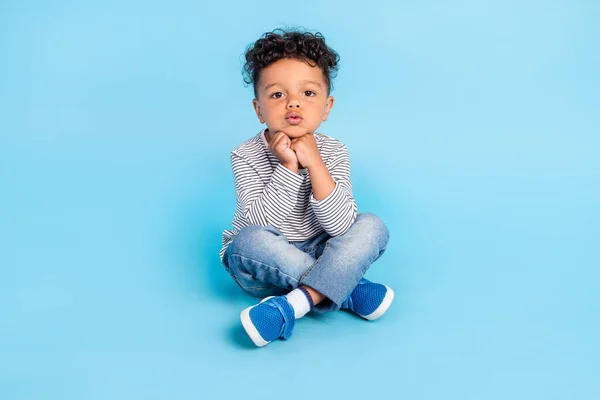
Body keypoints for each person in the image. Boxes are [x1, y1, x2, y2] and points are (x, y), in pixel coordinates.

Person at [220, 28, 393, 347]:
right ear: (259, 109)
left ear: (327, 107)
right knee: (245, 242)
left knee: (371, 226)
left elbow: (341, 227)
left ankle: (293, 304)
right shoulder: (245, 155)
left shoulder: (334, 151)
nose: (293, 103)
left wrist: (314, 164)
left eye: (308, 94)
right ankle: (347, 288)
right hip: (264, 268)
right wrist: (287, 166)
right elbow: (256, 226)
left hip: (322, 249)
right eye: (277, 94)